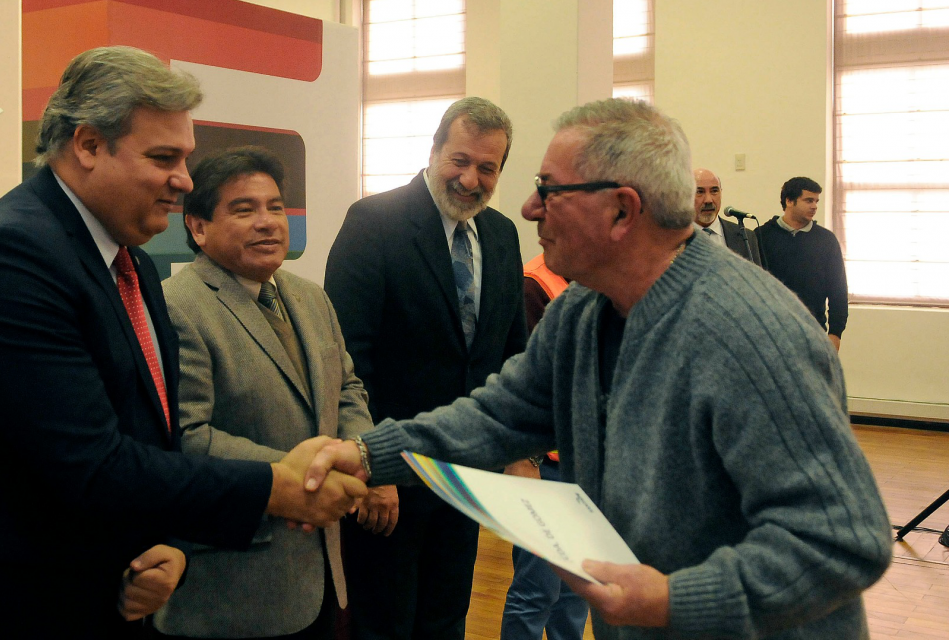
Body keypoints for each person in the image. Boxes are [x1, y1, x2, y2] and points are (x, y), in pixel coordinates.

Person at [307, 98, 892, 640]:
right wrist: (365, 453)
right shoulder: (583, 312)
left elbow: (841, 541)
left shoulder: (750, 333)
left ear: (621, 211)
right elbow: (497, 417)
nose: (529, 208)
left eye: (549, 190)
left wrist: (673, 600)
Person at [0, 46, 365, 640]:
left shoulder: (133, 265)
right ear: (89, 145)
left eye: (185, 158)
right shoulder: (6, 259)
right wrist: (278, 486)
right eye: (163, 157)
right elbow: (92, 464)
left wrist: (165, 545)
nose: (185, 180)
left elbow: (148, 437)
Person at [155, 147, 384, 639]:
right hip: (234, 585)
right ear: (197, 227)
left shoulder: (310, 296)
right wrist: (305, 478)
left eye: (275, 207)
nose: (267, 222)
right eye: (244, 209)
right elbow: (188, 437)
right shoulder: (177, 307)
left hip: (321, 570)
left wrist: (358, 451)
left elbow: (346, 387)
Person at [324, 97, 528, 640]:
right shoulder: (374, 222)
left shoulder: (503, 235)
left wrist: (517, 452)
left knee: (446, 618)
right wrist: (374, 467)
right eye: (459, 160)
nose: (470, 179)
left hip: (464, 477)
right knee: (385, 625)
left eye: (487, 167)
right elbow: (346, 358)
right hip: (391, 480)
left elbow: (513, 354)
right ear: (434, 150)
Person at [499, 253, 589, 640]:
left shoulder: (593, 278)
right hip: (546, 467)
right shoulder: (533, 285)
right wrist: (525, 458)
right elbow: (522, 381)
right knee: (537, 592)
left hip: (584, 465)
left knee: (577, 592)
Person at [757, 177, 848, 351]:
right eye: (808, 200)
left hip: (813, 333)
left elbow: (838, 291)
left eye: (816, 201)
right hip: (770, 334)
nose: (814, 206)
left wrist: (835, 334)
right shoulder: (761, 236)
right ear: (789, 201)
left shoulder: (826, 240)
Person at [692, 168, 762, 266]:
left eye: (714, 191)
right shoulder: (674, 236)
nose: (708, 200)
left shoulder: (746, 237)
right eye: (700, 192)